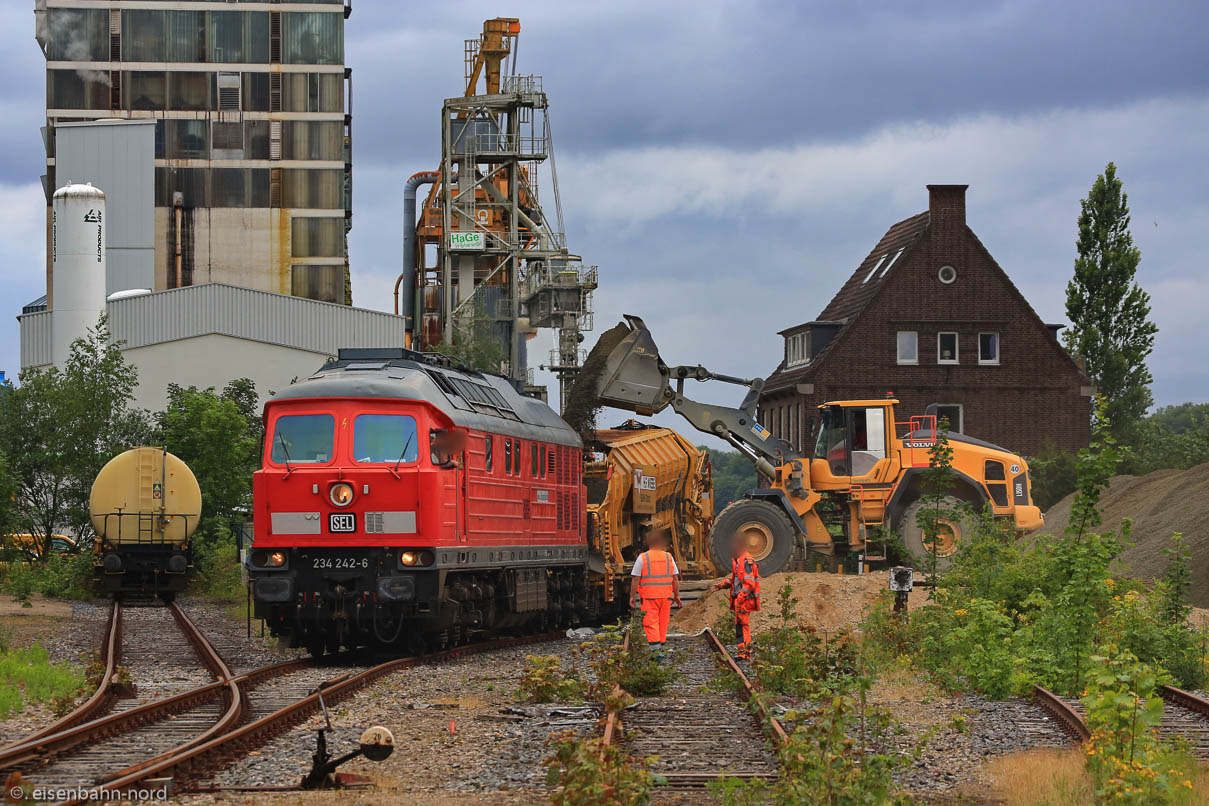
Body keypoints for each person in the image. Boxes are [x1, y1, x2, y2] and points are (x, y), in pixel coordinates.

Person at [629, 527, 682, 653]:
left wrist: (632, 596)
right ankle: (661, 649)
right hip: (666, 597)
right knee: (663, 623)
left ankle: (656, 653)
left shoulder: (643, 558)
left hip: (649, 597)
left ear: (649, 543)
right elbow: (675, 579)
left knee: (650, 624)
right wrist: (677, 595)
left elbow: (635, 579)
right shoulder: (668, 557)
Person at [712, 528, 761, 659]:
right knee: (740, 626)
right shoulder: (739, 561)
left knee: (743, 626)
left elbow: (749, 584)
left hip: (744, 601)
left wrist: (740, 598)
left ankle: (745, 654)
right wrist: (721, 585)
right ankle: (742, 653)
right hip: (742, 600)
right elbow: (736, 581)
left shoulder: (746, 562)